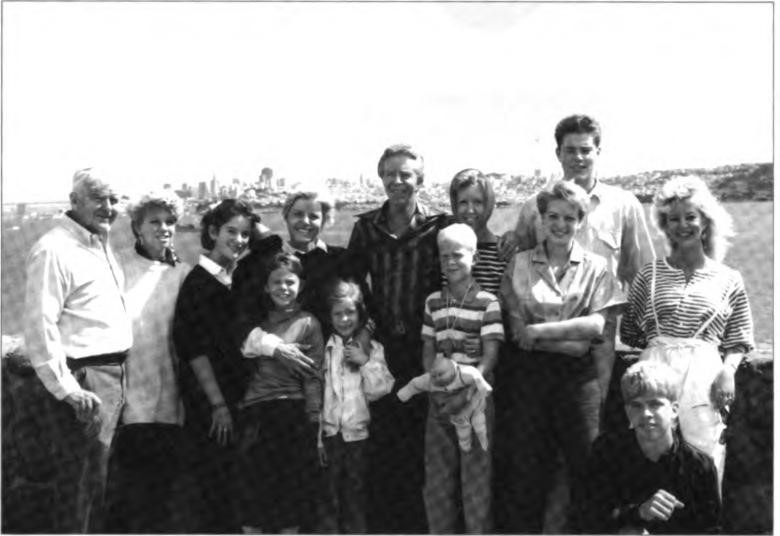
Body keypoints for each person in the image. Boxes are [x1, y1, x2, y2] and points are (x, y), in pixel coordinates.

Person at [498, 180, 626, 533]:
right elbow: (516, 332)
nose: (560, 224)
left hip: (577, 381)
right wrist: (569, 340)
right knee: (526, 471)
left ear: (581, 221)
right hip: (530, 379)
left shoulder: (598, 267)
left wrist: (539, 332)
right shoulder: (520, 264)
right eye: (552, 216)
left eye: (569, 217)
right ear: (541, 218)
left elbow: (595, 327)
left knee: (587, 467)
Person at [504, 114, 655, 400]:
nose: (578, 157)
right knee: (542, 412)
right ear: (558, 153)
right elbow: (517, 269)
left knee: (591, 412)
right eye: (570, 150)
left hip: (600, 330)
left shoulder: (624, 205)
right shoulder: (533, 207)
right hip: (545, 333)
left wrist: (644, 331)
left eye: (586, 150)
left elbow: (640, 273)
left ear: (598, 152)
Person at [620, 175, 754, 481]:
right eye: (673, 219)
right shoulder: (649, 274)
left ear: (704, 222)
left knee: (704, 450)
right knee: (650, 447)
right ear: (664, 226)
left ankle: (703, 524)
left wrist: (727, 372)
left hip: (705, 370)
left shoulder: (728, 278)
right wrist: (660, 345)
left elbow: (739, 338)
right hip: (656, 364)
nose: (683, 225)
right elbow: (629, 331)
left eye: (690, 217)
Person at [346, 143, 451, 533]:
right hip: (382, 348)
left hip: (425, 348)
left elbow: (454, 279)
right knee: (383, 440)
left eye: (406, 174)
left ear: (420, 181)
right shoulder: (366, 227)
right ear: (381, 178)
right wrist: (365, 334)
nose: (398, 181)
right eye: (390, 173)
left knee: (421, 442)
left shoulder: (439, 226)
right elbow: (354, 286)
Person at [23, 167, 132, 533]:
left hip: (114, 375)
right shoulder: (54, 250)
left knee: (98, 484)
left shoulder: (99, 243)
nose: (108, 207)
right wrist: (68, 389)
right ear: (74, 201)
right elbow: (40, 325)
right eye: (99, 198)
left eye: (114, 199)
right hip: (86, 379)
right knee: (80, 487)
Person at [172, 199, 258, 533]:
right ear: (211, 232)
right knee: (214, 491)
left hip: (233, 398)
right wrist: (218, 404)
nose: (239, 240)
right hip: (211, 404)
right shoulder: (198, 284)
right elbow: (193, 350)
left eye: (244, 234)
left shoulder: (232, 280)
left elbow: (270, 246)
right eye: (230, 231)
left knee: (231, 488)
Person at [107, 191, 190, 532]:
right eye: (154, 221)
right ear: (136, 228)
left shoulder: (184, 274)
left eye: (170, 221)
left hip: (172, 401)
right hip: (127, 402)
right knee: (124, 500)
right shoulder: (117, 271)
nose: (164, 228)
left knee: (161, 498)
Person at [412, 222, 504, 533]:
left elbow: (490, 355)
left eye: (458, 255)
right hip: (439, 398)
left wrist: (470, 382)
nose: (450, 262)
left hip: (473, 400)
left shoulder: (488, 302)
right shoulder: (433, 301)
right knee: (437, 479)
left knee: (475, 480)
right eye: (444, 256)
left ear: (474, 258)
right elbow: (428, 346)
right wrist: (433, 381)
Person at [572, 360, 721, 534]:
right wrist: (638, 513)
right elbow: (585, 517)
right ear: (627, 411)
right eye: (636, 405)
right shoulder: (607, 452)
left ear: (674, 410)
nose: (645, 414)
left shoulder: (699, 467)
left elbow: (711, 529)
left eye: (655, 404)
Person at [237, 252, 324, 533]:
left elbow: (313, 375)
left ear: (301, 285)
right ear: (266, 286)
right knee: (254, 491)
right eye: (276, 282)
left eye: (290, 282)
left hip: (292, 412)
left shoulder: (309, 323)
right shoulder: (257, 322)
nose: (283, 288)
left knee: (290, 493)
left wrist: (315, 420)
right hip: (257, 411)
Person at [318, 279, 395, 534]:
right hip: (328, 436)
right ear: (329, 317)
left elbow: (381, 389)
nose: (344, 319)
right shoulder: (323, 349)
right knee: (327, 498)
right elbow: (316, 394)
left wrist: (364, 362)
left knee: (356, 497)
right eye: (337, 314)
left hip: (358, 437)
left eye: (350, 312)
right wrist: (317, 435)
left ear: (359, 313)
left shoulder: (372, 349)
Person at [398, 355, 493, 453]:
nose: (437, 378)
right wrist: (404, 394)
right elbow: (415, 384)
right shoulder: (428, 380)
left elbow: (477, 377)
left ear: (453, 371)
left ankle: (474, 443)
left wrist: (484, 388)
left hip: (468, 402)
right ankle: (465, 444)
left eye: (441, 374)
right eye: (434, 376)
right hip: (449, 408)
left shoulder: (466, 373)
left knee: (473, 423)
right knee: (458, 426)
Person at [448, 169, 508, 295]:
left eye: (478, 202)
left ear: (488, 205)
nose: (470, 210)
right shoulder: (446, 251)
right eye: (463, 202)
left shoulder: (503, 252)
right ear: (455, 206)